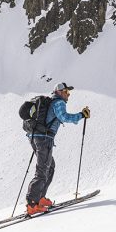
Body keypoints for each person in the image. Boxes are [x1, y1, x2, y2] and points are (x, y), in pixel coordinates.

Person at [25, 83, 90, 214]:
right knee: (43, 169)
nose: (68, 95)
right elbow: (64, 117)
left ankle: (40, 198)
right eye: (66, 92)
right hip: (44, 139)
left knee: (49, 167)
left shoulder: (50, 102)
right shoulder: (58, 102)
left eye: (68, 93)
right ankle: (32, 204)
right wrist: (81, 115)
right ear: (59, 92)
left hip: (36, 137)